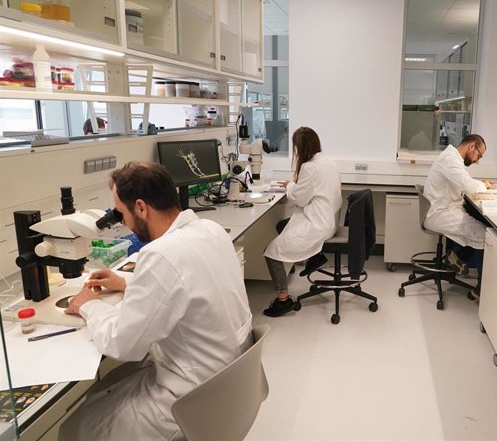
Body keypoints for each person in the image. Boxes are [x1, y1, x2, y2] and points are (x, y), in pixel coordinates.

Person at [59, 162, 252, 441]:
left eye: (121, 213)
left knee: (75, 428)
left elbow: (122, 344)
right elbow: (187, 283)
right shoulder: (210, 229)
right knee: (103, 397)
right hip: (228, 383)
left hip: (190, 400)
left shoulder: (162, 254)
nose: (122, 222)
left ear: (140, 207)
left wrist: (88, 304)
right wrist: (126, 282)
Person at [262, 127, 342, 317]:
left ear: (301, 147)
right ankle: (314, 257)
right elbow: (313, 189)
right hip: (329, 221)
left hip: (317, 225)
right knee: (282, 226)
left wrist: (290, 186)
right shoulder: (328, 162)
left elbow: (300, 199)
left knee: (271, 252)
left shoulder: (309, 167)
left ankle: (283, 300)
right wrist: (295, 185)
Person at [423, 134, 493, 300]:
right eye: (479, 155)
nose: (477, 160)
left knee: (479, 228)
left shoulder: (452, 158)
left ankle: (455, 256)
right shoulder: (450, 160)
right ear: (471, 147)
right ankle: (481, 288)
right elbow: (468, 185)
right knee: (488, 236)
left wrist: (480, 185)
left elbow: (463, 181)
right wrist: (483, 186)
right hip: (440, 214)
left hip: (445, 210)